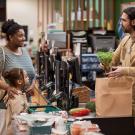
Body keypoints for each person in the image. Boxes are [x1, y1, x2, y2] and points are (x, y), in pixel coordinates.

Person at [107, 7, 135, 115]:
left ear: (133, 22)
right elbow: (113, 59)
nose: (120, 23)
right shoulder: (125, 40)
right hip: (126, 93)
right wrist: (104, 62)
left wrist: (124, 71)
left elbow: (125, 70)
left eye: (124, 20)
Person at [3, 68, 29, 135]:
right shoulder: (16, 97)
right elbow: (17, 119)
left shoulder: (19, 94)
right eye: (26, 76)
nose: (28, 78)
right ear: (19, 81)